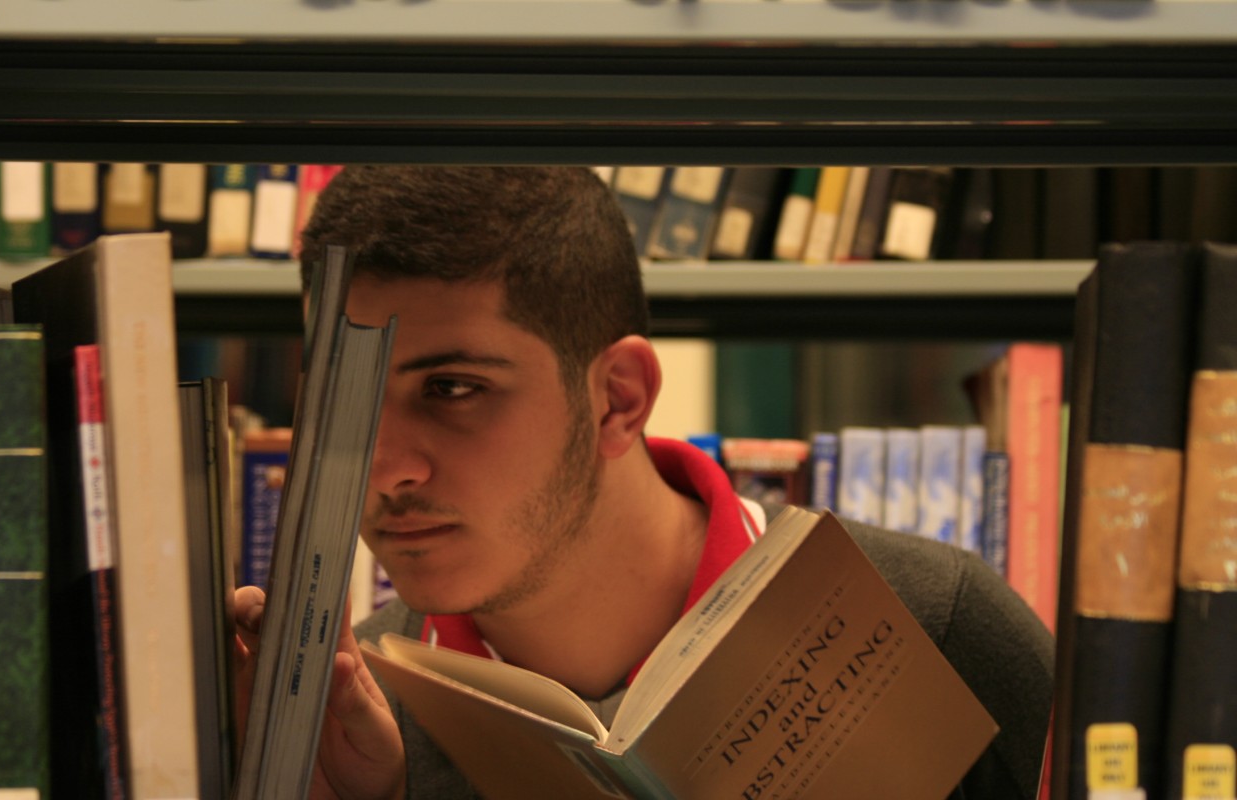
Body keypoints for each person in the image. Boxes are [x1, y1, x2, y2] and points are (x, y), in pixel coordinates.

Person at [233, 166, 1054, 800]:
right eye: (347, 400)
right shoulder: (358, 728)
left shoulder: (936, 628)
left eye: (452, 388)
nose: (383, 467)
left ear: (618, 398)